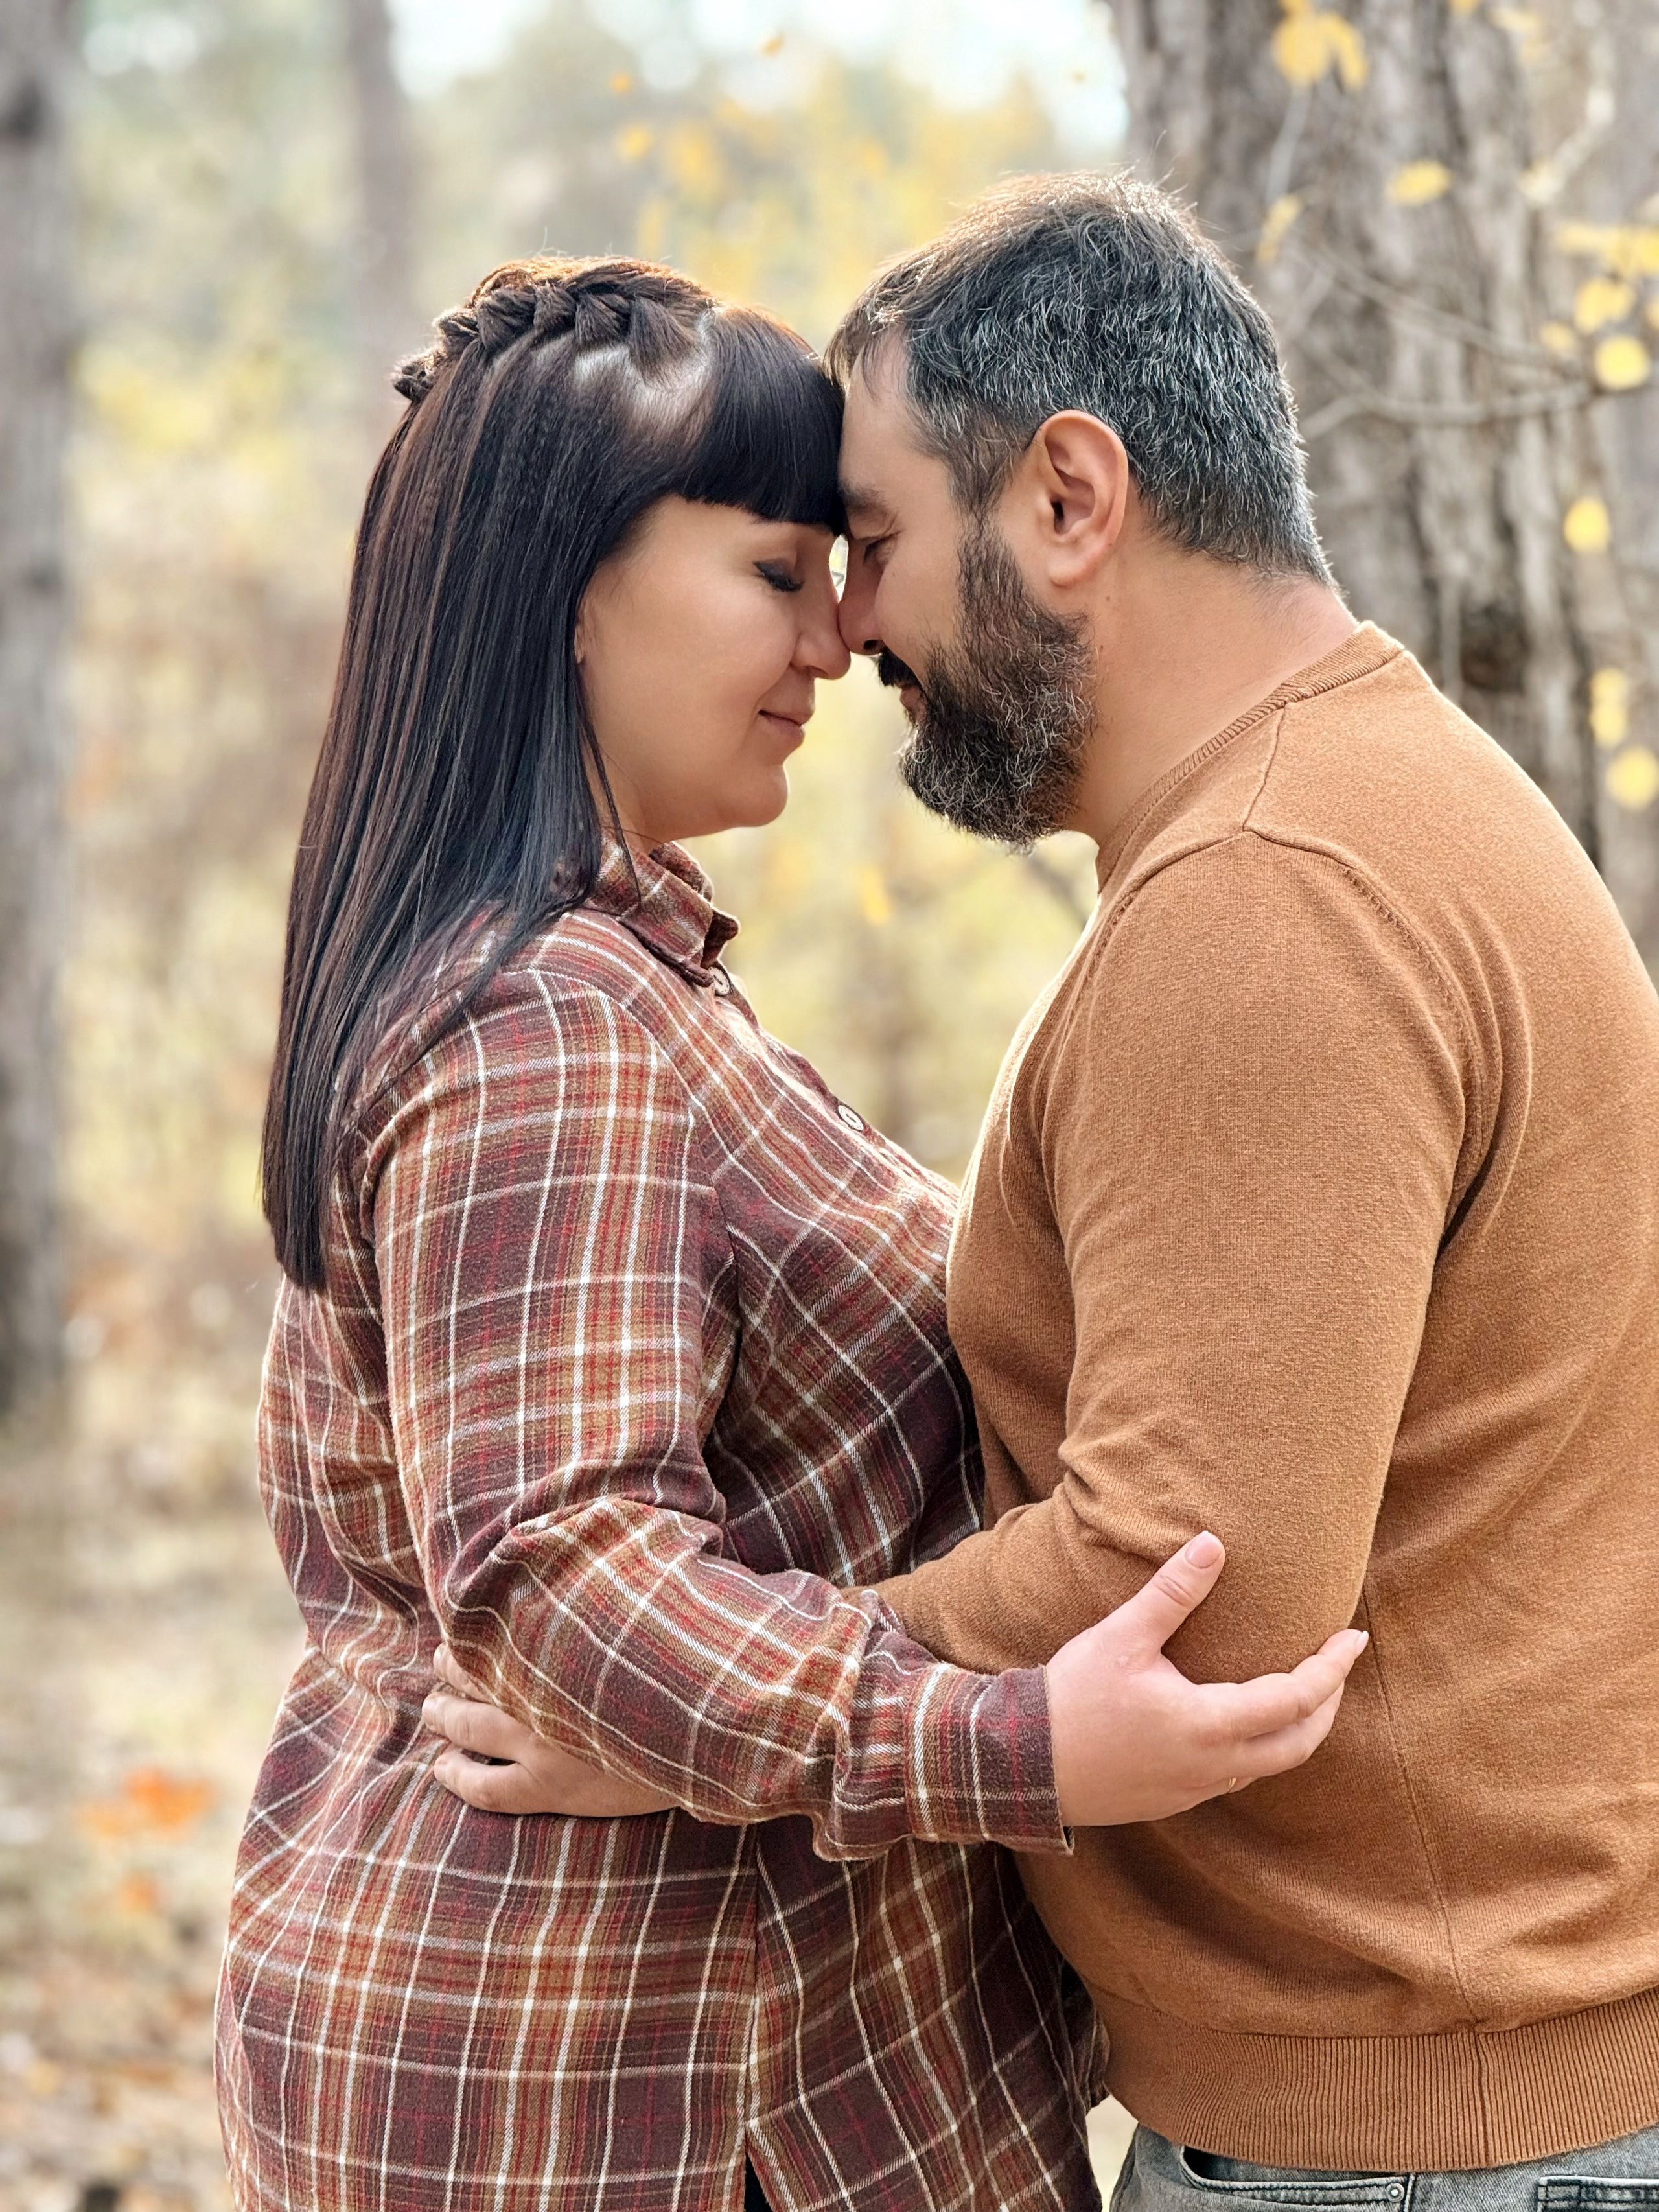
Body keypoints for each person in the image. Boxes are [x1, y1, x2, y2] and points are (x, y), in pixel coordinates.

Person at [431, 179, 1659, 2205]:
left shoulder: (1274, 899)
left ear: (1071, 498)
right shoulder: (1339, 809)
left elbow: (1193, 1586)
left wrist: (683, 1726)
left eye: (882, 542)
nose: (848, 630)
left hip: (1424, 2149)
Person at [216, 252, 1363, 2212]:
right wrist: (1009, 1742)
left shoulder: (621, 986)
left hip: (724, 2054)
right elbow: (564, 1572)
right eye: (777, 568)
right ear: (574, 588)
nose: (840, 639)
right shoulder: (545, 1027)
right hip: (624, 2089)